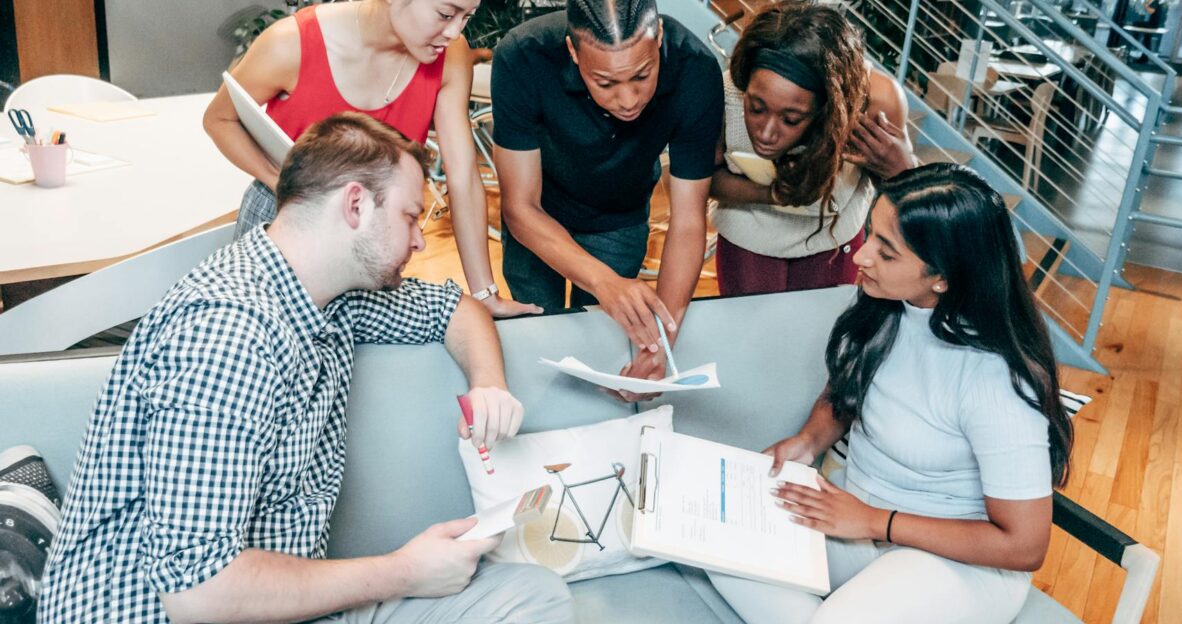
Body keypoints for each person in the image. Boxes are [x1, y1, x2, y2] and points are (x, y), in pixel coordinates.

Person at [38, 113, 574, 624]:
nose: (418, 239)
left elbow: (456, 310)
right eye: (410, 216)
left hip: (284, 605)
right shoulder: (228, 335)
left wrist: (489, 384)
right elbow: (197, 592)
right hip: (164, 612)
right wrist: (405, 572)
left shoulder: (330, 292)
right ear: (355, 205)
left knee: (533, 596)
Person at [709, 163, 1074, 623]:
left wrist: (874, 521)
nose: (861, 256)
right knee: (717, 542)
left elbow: (1025, 546)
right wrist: (807, 442)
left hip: (955, 558)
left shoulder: (996, 378)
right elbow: (844, 391)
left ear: (942, 277)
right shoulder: (883, 306)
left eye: (886, 252)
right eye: (870, 234)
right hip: (858, 519)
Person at [203, 0, 540, 318]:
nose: (455, 32)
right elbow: (219, 119)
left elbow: (463, 176)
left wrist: (484, 294)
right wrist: (286, 184)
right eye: (445, 14)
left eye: (467, 16)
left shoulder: (450, 56)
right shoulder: (289, 43)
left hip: (374, 233)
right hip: (285, 215)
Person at [490, 0, 723, 388]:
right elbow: (520, 207)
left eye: (642, 75)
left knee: (606, 347)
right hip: (539, 220)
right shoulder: (523, 55)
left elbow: (687, 220)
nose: (629, 100)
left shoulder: (694, 68)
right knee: (540, 338)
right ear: (572, 52)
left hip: (620, 216)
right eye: (605, 83)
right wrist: (604, 282)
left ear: (659, 38)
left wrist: (659, 344)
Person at [710, 0, 917, 296]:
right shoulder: (727, 91)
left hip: (834, 241)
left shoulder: (876, 102)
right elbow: (704, 179)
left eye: (791, 119)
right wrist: (774, 194)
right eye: (756, 108)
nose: (766, 134)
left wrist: (902, 171)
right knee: (748, 325)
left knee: (824, 325)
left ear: (829, 108)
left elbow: (908, 203)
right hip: (748, 235)